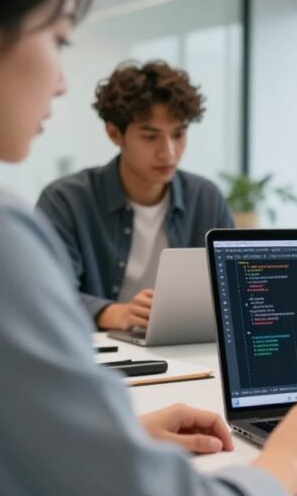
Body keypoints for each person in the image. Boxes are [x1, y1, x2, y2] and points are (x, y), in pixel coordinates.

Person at [0, 0, 297, 494]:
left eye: (178, 134)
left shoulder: (201, 195)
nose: (58, 82)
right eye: (56, 40)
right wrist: (285, 467)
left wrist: (113, 434)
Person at [36, 60, 235, 331]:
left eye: (178, 135)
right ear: (114, 133)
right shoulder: (66, 200)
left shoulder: (206, 198)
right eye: (150, 137)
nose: (169, 152)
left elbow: (233, 293)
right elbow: (47, 293)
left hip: (187, 348)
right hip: (100, 352)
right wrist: (112, 313)